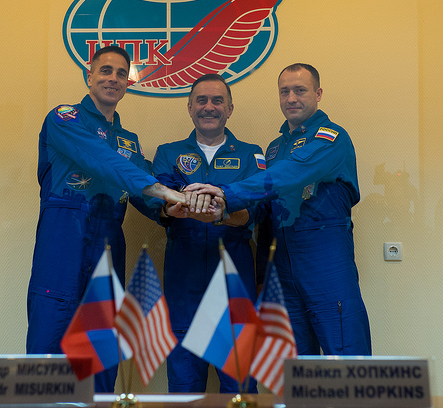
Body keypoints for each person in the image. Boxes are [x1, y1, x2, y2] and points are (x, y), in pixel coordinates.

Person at [26, 45, 184, 392]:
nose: (113, 78)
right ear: (90, 76)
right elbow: (100, 158)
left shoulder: (129, 141)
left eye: (120, 74)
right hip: (63, 236)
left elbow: (145, 194)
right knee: (49, 339)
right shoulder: (64, 118)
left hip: (109, 240)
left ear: (127, 83)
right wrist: (160, 190)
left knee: (101, 345)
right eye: (106, 70)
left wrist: (171, 207)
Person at [185, 64, 372, 357]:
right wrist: (222, 213)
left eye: (300, 90)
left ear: (318, 94)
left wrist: (226, 194)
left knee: (347, 359)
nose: (291, 98)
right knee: (295, 366)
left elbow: (291, 174)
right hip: (282, 268)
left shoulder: (332, 138)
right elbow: (265, 214)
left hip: (326, 264)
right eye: (284, 92)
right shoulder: (274, 149)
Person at [153, 74, 265, 393]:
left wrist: (223, 214)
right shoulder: (168, 154)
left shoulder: (251, 155)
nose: (209, 107)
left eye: (218, 100)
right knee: (184, 389)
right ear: (190, 107)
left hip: (234, 287)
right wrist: (172, 206)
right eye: (201, 100)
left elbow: (258, 210)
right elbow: (157, 204)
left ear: (230, 108)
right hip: (183, 286)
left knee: (240, 390)